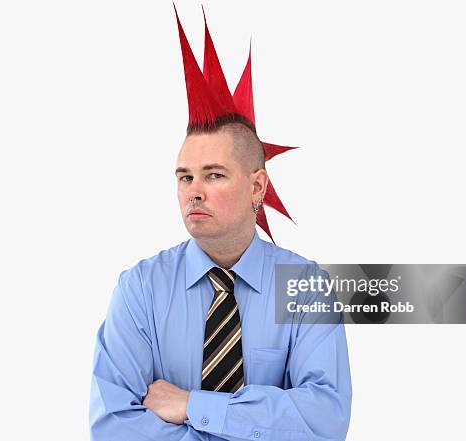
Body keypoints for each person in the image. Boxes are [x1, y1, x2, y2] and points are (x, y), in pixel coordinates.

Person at [89, 7, 351, 441]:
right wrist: (259, 421)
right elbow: (113, 425)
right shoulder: (140, 289)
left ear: (257, 187)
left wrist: (193, 405)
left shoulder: (305, 284)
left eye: (213, 175)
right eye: (185, 177)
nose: (194, 190)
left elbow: (324, 419)